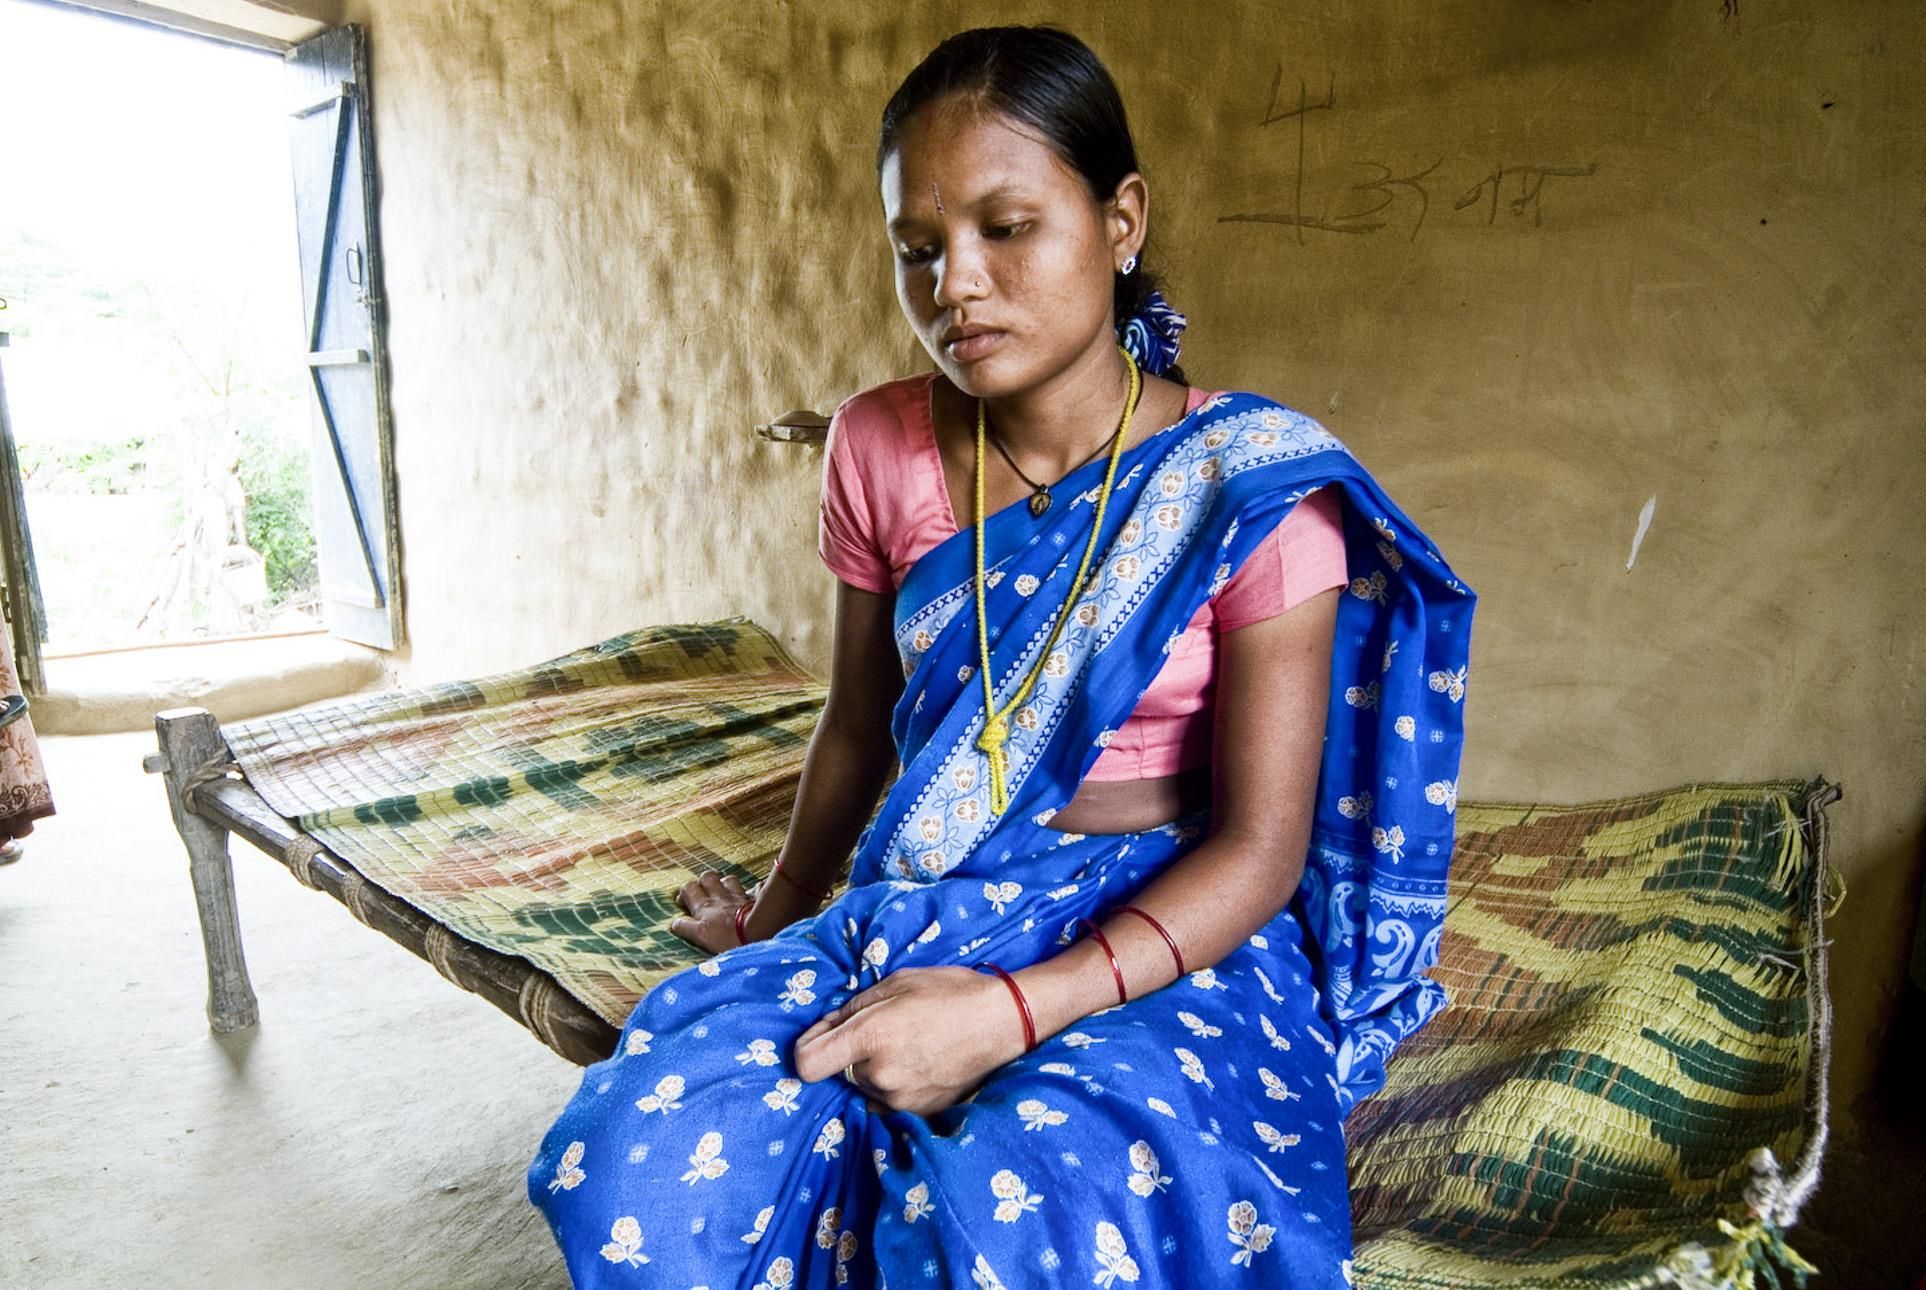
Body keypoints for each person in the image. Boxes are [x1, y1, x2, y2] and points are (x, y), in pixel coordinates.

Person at [528, 25, 1473, 1288]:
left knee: (1022, 1209)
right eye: (919, 250)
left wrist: (1011, 1014)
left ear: (1121, 219)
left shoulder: (1248, 487)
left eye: (1006, 228)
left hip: (1170, 910)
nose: (954, 285)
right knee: (633, 1158)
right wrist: (774, 924)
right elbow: (860, 730)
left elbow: (1262, 848)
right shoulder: (876, 445)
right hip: (940, 869)